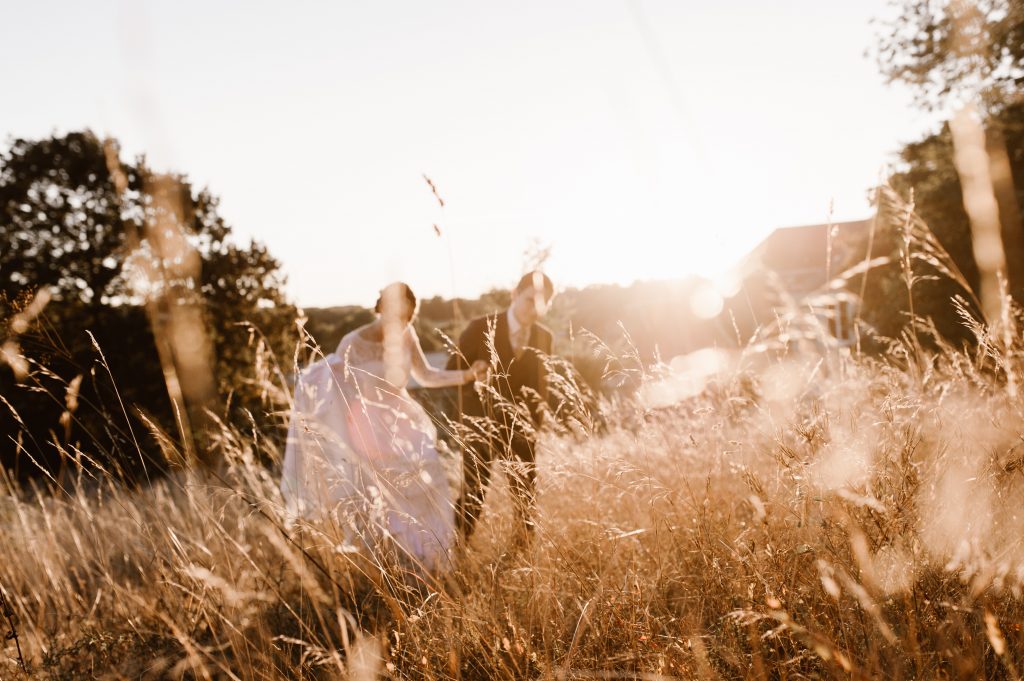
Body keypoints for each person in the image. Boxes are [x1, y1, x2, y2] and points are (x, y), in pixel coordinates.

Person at [281, 282, 487, 574]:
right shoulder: (352, 342)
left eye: (406, 317)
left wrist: (467, 375)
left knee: (427, 487)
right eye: (396, 315)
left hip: (405, 425)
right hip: (368, 429)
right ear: (381, 309)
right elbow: (341, 397)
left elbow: (426, 375)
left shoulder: (407, 335)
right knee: (384, 501)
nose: (400, 323)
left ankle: (432, 562)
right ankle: (392, 567)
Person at [447, 271, 556, 543]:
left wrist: (534, 427)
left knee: (525, 495)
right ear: (514, 294)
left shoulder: (544, 337)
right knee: (474, 492)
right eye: (530, 300)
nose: (535, 309)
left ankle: (522, 554)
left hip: (522, 431)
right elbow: (450, 374)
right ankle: (457, 550)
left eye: (543, 303)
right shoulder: (479, 328)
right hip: (479, 426)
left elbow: (542, 389)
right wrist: (473, 374)